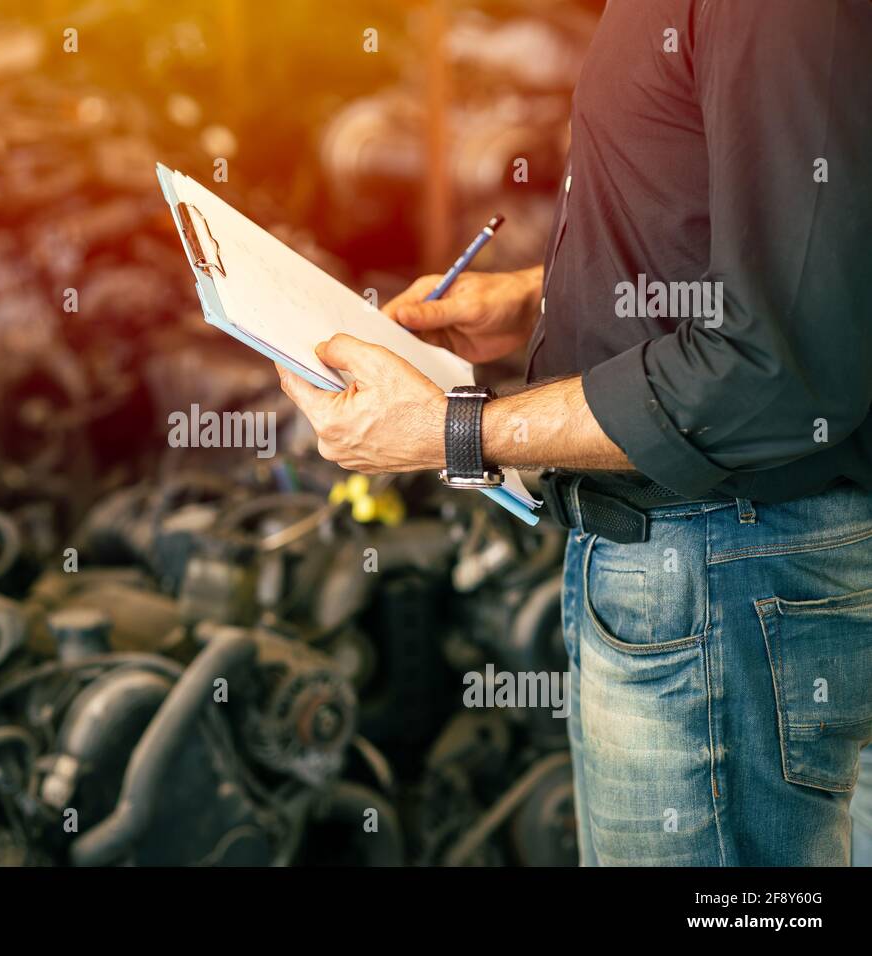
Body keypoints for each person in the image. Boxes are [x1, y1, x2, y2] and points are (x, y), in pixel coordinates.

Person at [277, 0, 872, 865]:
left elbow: (776, 369)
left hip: (728, 577)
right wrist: (544, 297)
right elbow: (779, 245)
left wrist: (455, 430)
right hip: (709, 574)